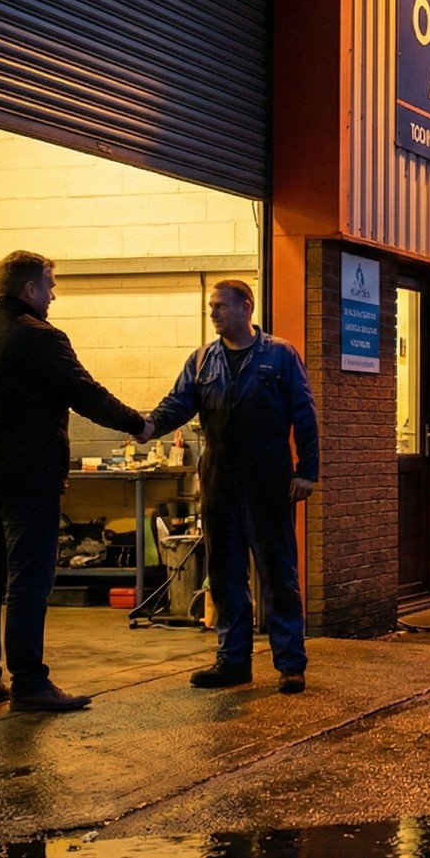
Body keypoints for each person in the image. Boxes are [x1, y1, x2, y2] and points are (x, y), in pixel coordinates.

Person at [0, 251, 148, 712]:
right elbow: (85, 394)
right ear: (29, 289)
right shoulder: (43, 338)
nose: (53, 294)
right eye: (49, 285)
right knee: (29, 581)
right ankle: (30, 683)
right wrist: (139, 424)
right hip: (28, 479)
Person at [145, 279, 319, 694]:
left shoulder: (280, 355)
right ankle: (232, 660)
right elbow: (177, 404)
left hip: (269, 479)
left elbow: (305, 414)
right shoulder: (202, 360)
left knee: (278, 574)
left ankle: (290, 664)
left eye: (221, 305)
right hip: (219, 479)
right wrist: (146, 426)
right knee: (224, 574)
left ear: (247, 307)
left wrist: (307, 471)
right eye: (211, 307)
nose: (213, 313)